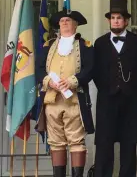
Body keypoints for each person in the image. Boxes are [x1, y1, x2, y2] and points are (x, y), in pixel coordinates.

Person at [93, 0, 137, 177]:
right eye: (113, 18)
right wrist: (107, 88)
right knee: (104, 145)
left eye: (119, 18)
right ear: (109, 20)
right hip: (107, 100)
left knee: (129, 144)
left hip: (131, 101)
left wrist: (130, 89)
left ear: (126, 21)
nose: (116, 21)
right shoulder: (100, 43)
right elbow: (96, 71)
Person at [35, 9, 95, 177]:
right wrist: (48, 81)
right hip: (52, 100)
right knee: (56, 143)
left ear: (76, 24)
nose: (65, 23)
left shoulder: (85, 45)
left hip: (74, 100)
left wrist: (72, 81)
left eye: (68, 20)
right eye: (62, 21)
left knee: (76, 142)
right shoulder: (48, 46)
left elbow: (90, 69)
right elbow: (39, 69)